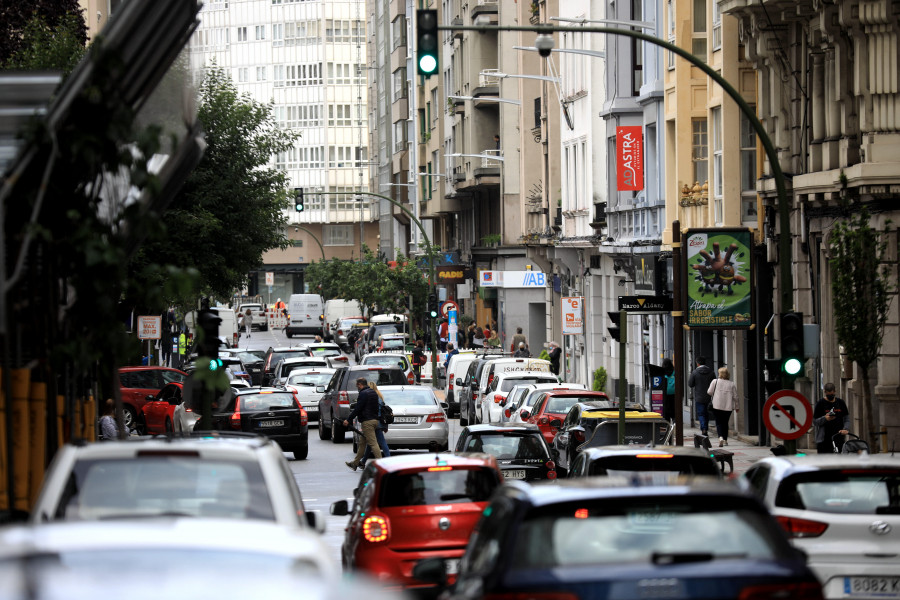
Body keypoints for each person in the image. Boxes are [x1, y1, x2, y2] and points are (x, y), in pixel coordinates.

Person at [343, 378, 383, 470]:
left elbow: (358, 408)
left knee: (373, 443)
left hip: (367, 422)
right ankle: (355, 463)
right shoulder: (373, 392)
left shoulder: (363, 393)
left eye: (357, 386)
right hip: (374, 420)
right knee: (362, 442)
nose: (358, 388)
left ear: (360, 385)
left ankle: (381, 464)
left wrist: (348, 419)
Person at [359, 382, 391, 468]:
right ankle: (363, 462)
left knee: (380, 442)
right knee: (371, 443)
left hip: (374, 422)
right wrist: (385, 426)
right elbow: (384, 412)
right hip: (380, 422)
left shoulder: (372, 398)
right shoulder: (380, 396)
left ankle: (388, 460)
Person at [813, 382, 850, 453]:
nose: (831, 396)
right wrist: (825, 418)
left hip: (839, 437)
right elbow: (815, 421)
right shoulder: (820, 403)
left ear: (835, 392)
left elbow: (846, 419)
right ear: (825, 392)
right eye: (828, 394)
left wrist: (845, 429)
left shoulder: (840, 402)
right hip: (824, 439)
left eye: (832, 394)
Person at [708, 366, 739, 447]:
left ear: (720, 374)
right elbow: (735, 397)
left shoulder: (715, 381)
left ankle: (720, 437)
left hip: (717, 406)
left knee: (718, 422)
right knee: (725, 423)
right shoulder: (731, 384)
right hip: (728, 407)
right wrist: (737, 407)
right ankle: (725, 440)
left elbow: (709, 392)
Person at [688, 356, 716, 436]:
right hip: (709, 396)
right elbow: (715, 383)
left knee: (701, 414)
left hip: (699, 397)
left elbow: (690, 384)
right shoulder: (711, 372)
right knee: (707, 413)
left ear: (697, 363)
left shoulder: (695, 372)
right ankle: (705, 427)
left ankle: (704, 428)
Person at [662, 358, 675, 422]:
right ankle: (674, 426)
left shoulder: (662, 372)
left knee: (666, 411)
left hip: (665, 395)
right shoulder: (674, 371)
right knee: (673, 411)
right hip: (673, 394)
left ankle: (667, 426)